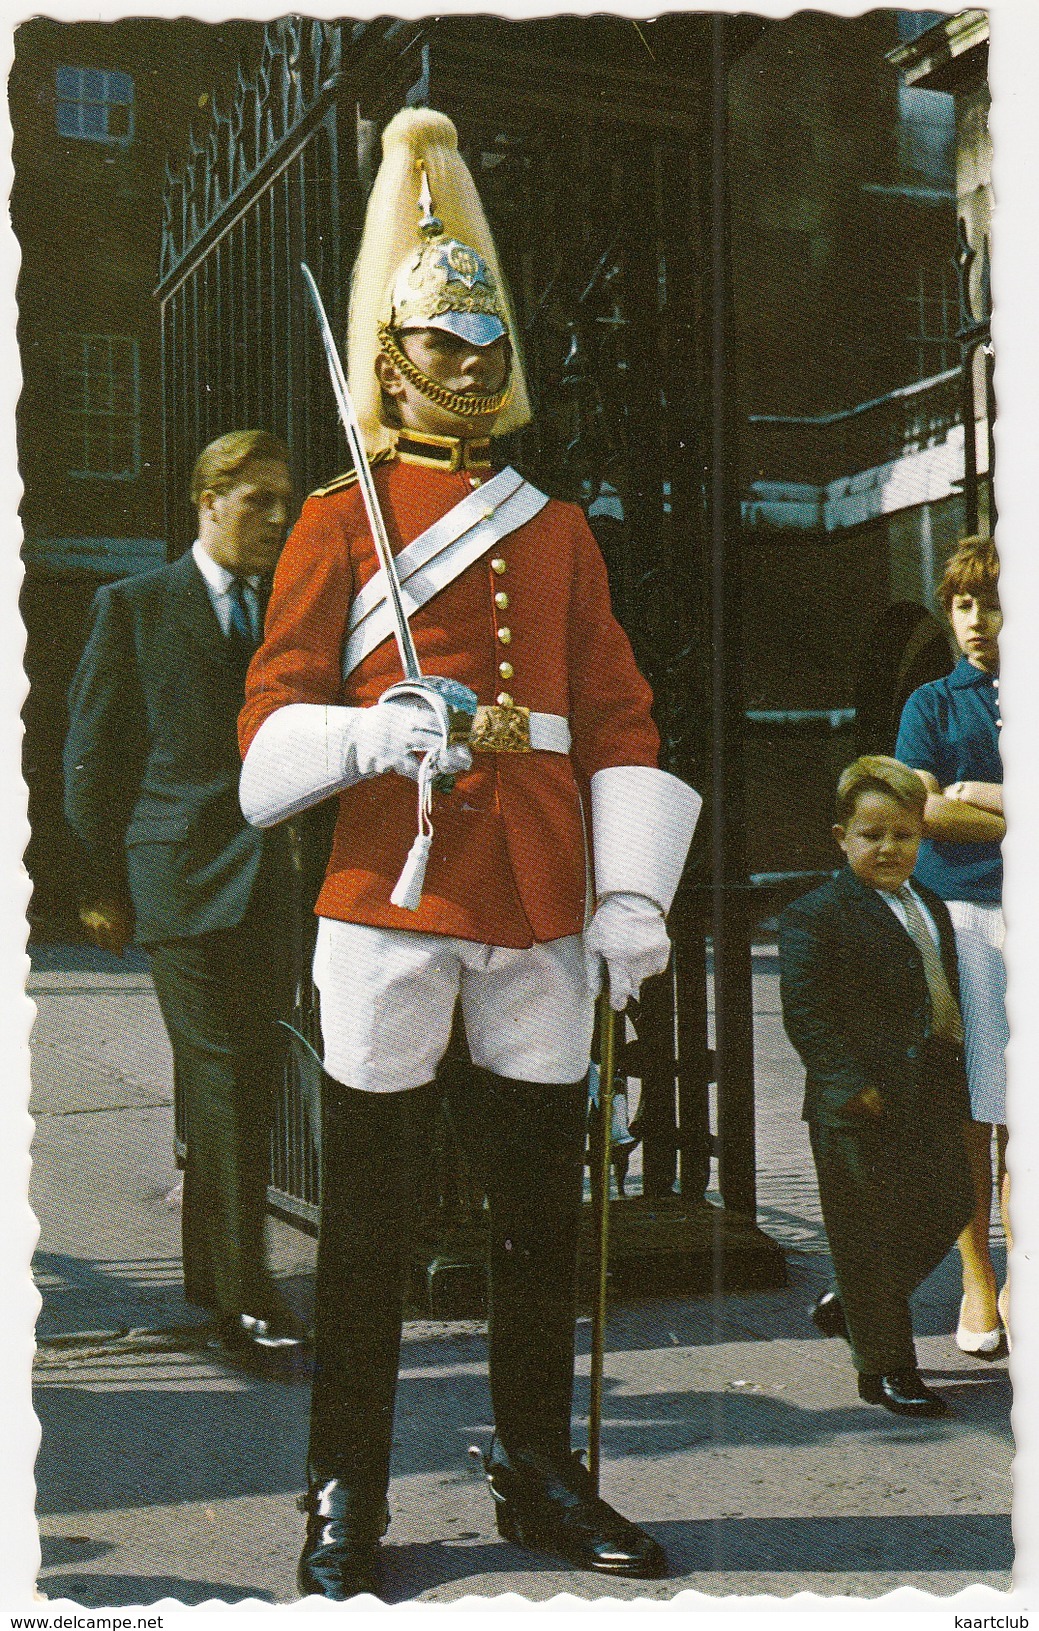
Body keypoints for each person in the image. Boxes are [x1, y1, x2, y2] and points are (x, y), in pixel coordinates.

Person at [237, 107, 700, 1597]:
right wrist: (368, 735)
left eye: (491, 347)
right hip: (391, 890)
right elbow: (263, 737)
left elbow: (617, 709)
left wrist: (627, 890)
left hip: (535, 902)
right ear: (388, 360)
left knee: (533, 1225)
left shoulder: (557, 527)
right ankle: (343, 1484)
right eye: (448, 345)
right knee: (368, 1226)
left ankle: (533, 1464)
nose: (477, 367)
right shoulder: (330, 521)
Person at [64, 429, 304, 1361]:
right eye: (259, 502)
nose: (278, 519)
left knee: (246, 1081)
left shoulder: (292, 606)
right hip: (179, 878)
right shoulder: (133, 606)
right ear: (208, 501)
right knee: (222, 1080)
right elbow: (92, 755)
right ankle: (247, 1302)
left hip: (274, 885)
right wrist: (98, 886)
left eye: (286, 502)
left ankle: (214, 1278)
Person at [778, 756, 973, 1418]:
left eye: (903, 835)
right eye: (871, 835)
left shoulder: (932, 906)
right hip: (858, 1102)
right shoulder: (816, 914)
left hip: (931, 1088)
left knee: (947, 1202)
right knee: (864, 1231)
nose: (888, 848)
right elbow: (806, 1012)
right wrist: (845, 1081)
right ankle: (887, 1368)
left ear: (920, 836)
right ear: (841, 837)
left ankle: (850, 1302)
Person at [895, 535, 1009, 1355]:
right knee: (974, 1116)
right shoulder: (931, 704)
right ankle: (977, 1284)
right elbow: (925, 810)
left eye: (994, 601)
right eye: (965, 603)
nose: (978, 620)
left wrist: (989, 794)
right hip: (965, 920)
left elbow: (955, 801)